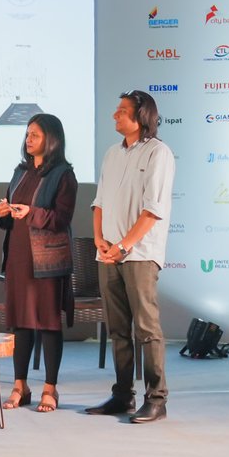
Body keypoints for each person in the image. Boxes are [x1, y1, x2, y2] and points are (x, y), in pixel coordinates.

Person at [87, 90, 175, 423]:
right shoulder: (112, 153)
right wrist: (99, 240)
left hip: (139, 254)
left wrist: (123, 246)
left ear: (141, 117)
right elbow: (99, 203)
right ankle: (123, 395)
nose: (115, 115)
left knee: (146, 328)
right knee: (118, 329)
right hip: (108, 254)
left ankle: (157, 399)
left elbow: (153, 210)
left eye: (122, 111)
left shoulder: (158, 153)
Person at [0, 114, 78, 413]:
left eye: (35, 135)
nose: (28, 139)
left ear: (51, 139)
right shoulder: (20, 172)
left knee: (48, 322)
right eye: (27, 134)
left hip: (47, 260)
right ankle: (20, 386)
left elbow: (61, 219)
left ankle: (50, 389)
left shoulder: (64, 175)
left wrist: (31, 212)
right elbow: (9, 217)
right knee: (20, 322)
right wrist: (3, 212)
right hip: (18, 256)